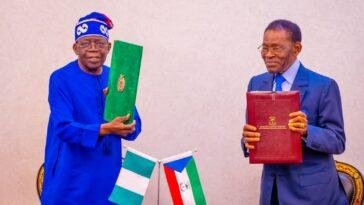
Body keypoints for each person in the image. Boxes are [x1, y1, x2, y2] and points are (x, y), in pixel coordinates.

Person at [241, 19, 348, 205]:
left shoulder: (323, 86)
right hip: (271, 191)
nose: (268, 54)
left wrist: (307, 131)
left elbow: (337, 141)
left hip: (312, 195)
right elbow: (256, 131)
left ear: (297, 48)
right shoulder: (256, 83)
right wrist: (247, 140)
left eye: (276, 48)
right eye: (264, 48)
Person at [41, 12, 142, 205]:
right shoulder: (60, 79)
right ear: (75, 47)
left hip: (107, 173)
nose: (93, 49)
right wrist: (106, 128)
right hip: (70, 173)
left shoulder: (117, 76)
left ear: (109, 47)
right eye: (86, 43)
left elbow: (135, 128)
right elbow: (63, 128)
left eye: (100, 43)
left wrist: (125, 118)